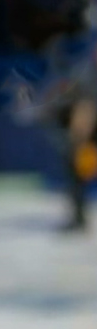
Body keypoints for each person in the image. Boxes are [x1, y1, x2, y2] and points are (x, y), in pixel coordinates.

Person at [58, 48, 97, 233]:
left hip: (90, 134)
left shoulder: (88, 75)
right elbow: (84, 108)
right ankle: (78, 216)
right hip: (91, 136)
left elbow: (85, 110)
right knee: (77, 172)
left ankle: (78, 216)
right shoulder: (88, 74)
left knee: (76, 171)